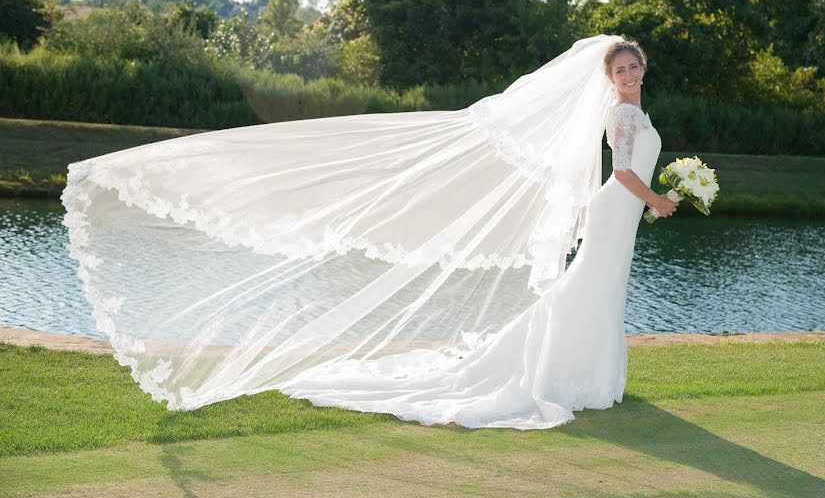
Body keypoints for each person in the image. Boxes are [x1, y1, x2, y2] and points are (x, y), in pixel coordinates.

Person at [61, 34, 675, 430]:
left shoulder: (632, 109)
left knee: (595, 291)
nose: (628, 73)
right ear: (608, 74)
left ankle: (586, 375)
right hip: (617, 208)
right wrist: (659, 200)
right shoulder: (620, 112)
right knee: (584, 289)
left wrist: (652, 199)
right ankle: (560, 376)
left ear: (642, 68)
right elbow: (620, 171)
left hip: (619, 214)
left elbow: (619, 172)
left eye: (634, 65)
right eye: (620, 67)